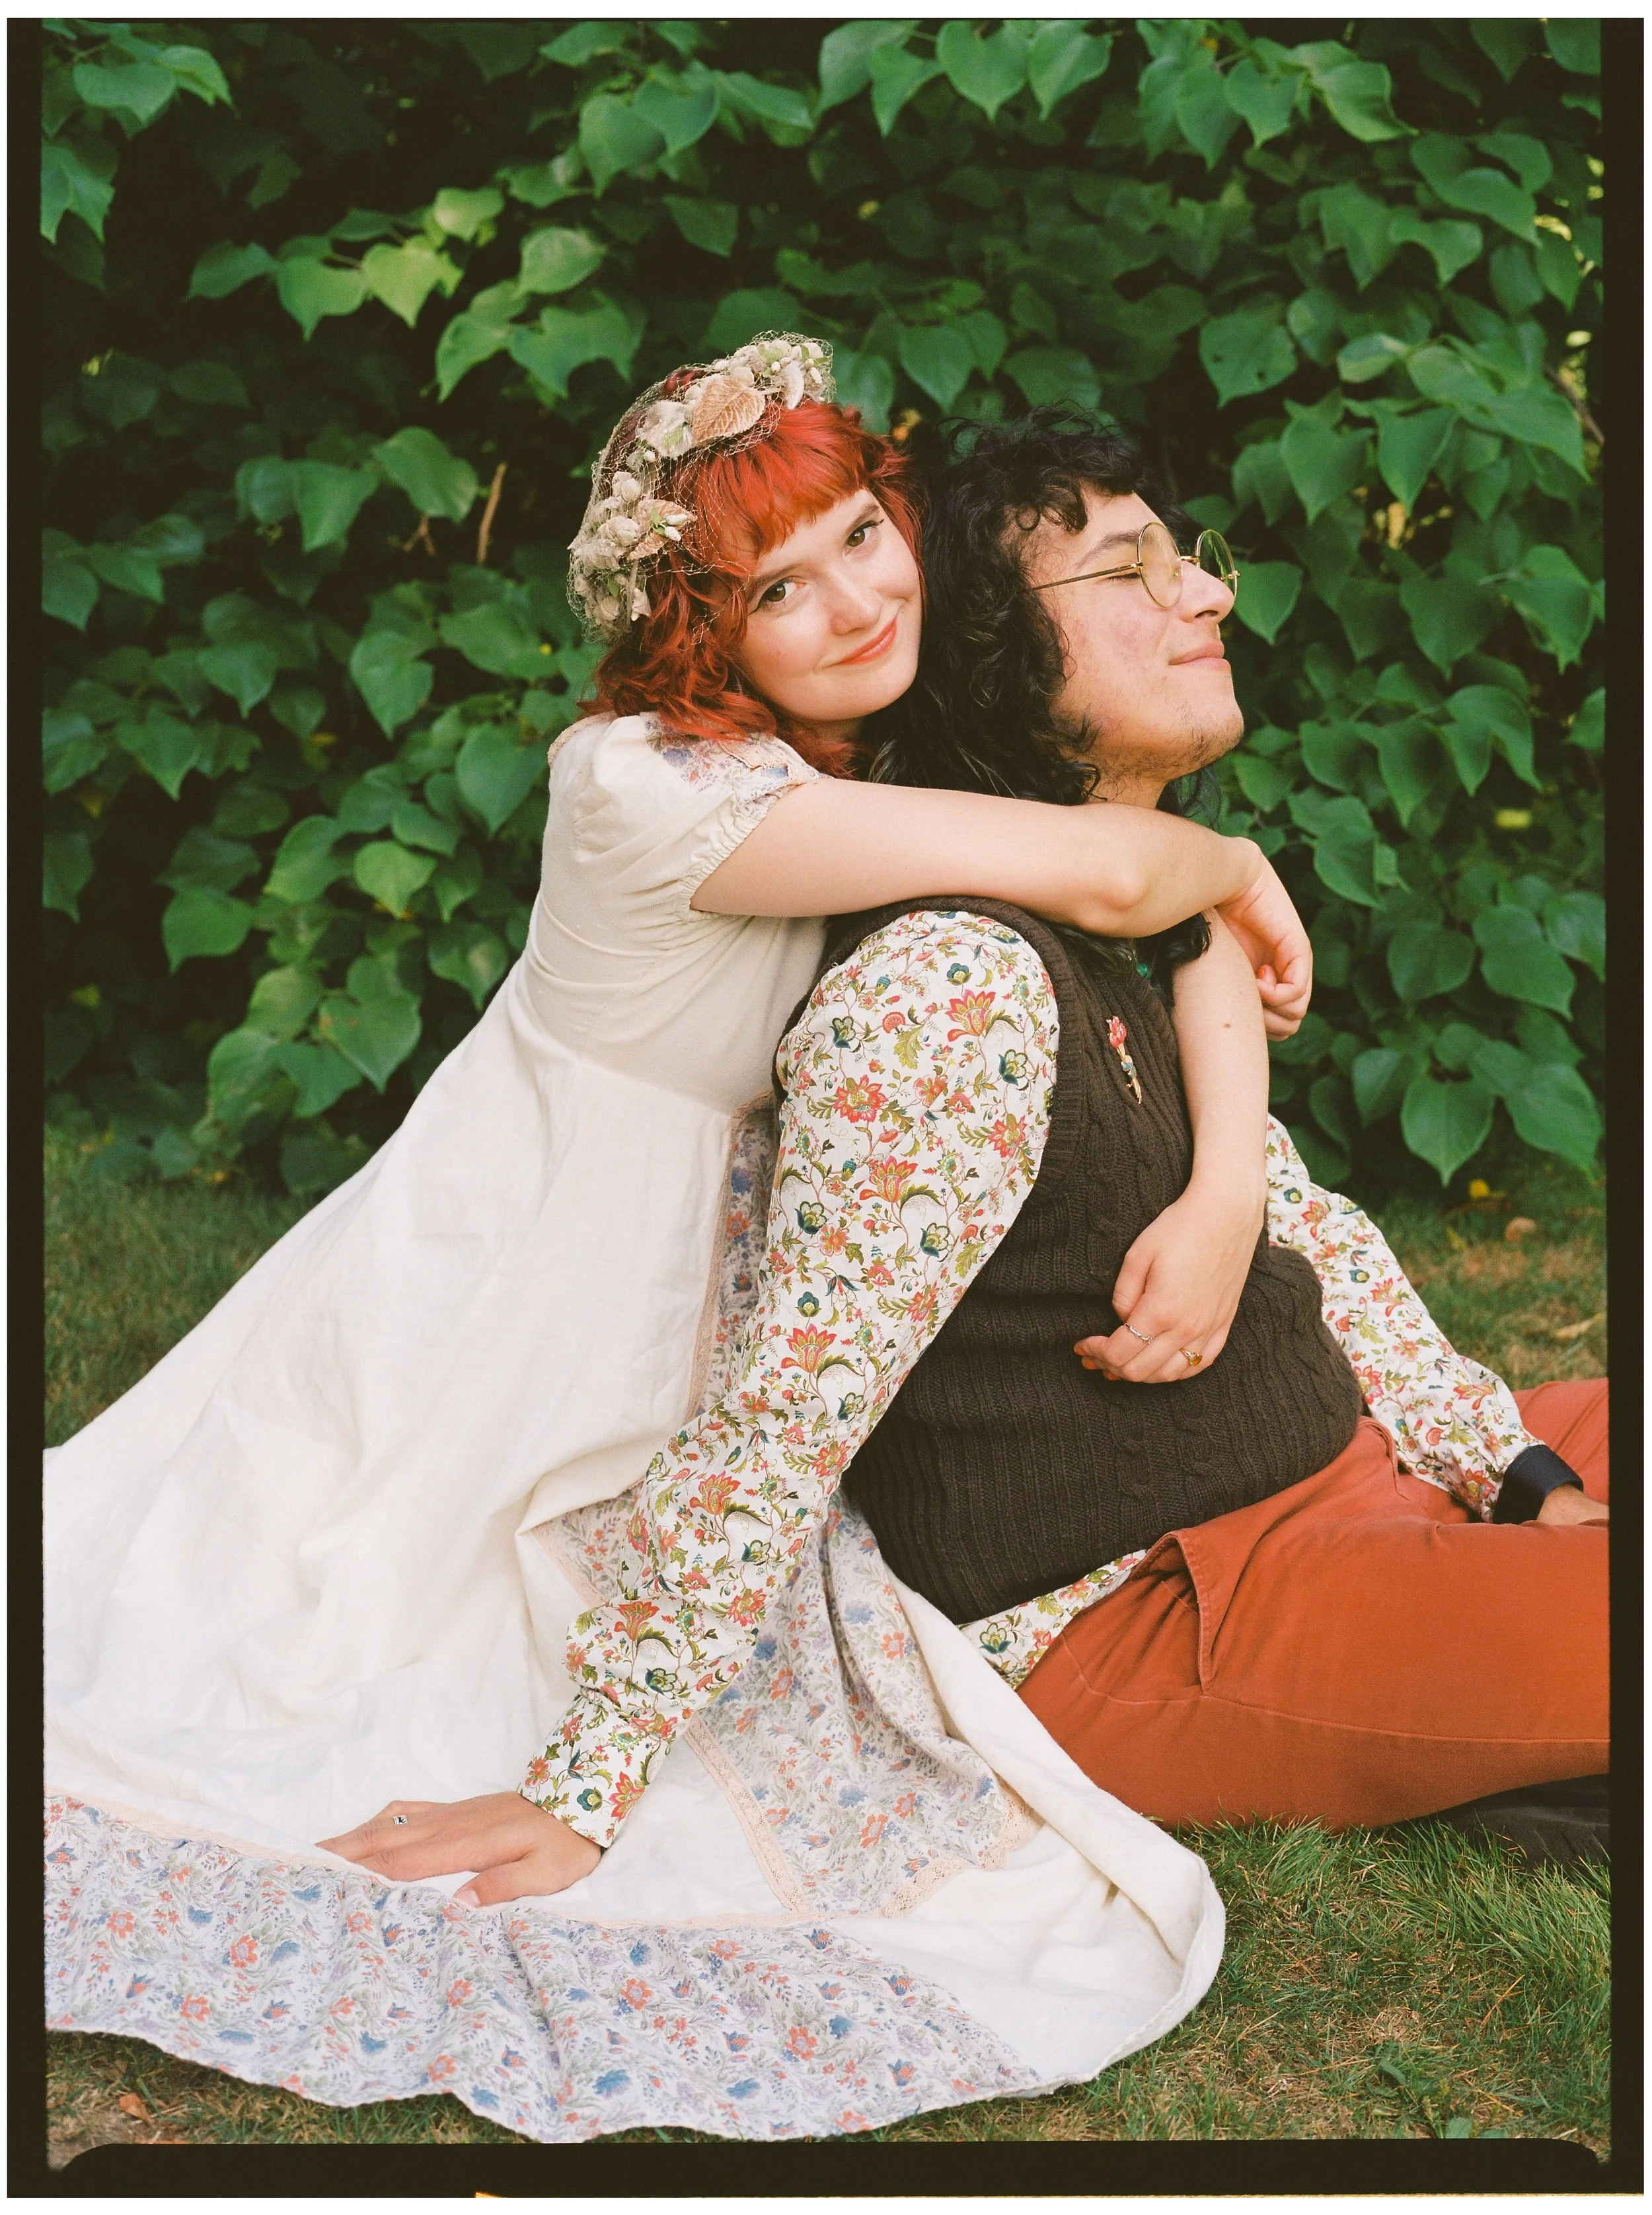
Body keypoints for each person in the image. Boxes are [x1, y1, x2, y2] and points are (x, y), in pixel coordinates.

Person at [45, 339, 1312, 2132]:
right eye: (772, 589)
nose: (854, 600)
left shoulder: (873, 740)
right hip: (521, 1278)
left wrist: (1225, 1169)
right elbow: (1134, 877)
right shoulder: (646, 782)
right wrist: (1239, 867)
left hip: (703, 1286)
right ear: (698, 633)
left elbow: (1152, 912)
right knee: (326, 1645)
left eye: (861, 534)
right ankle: (558, 1748)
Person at [318, 401, 1602, 1915]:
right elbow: (786, 1408)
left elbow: (1300, 1224)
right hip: (1157, 1602)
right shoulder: (943, 989)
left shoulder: (1125, 916)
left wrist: (1508, 1466)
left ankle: (1525, 1699)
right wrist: (586, 1778)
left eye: (1183, 555)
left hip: (1344, 1466)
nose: (1204, 591)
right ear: (999, 651)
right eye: (1129, 569)